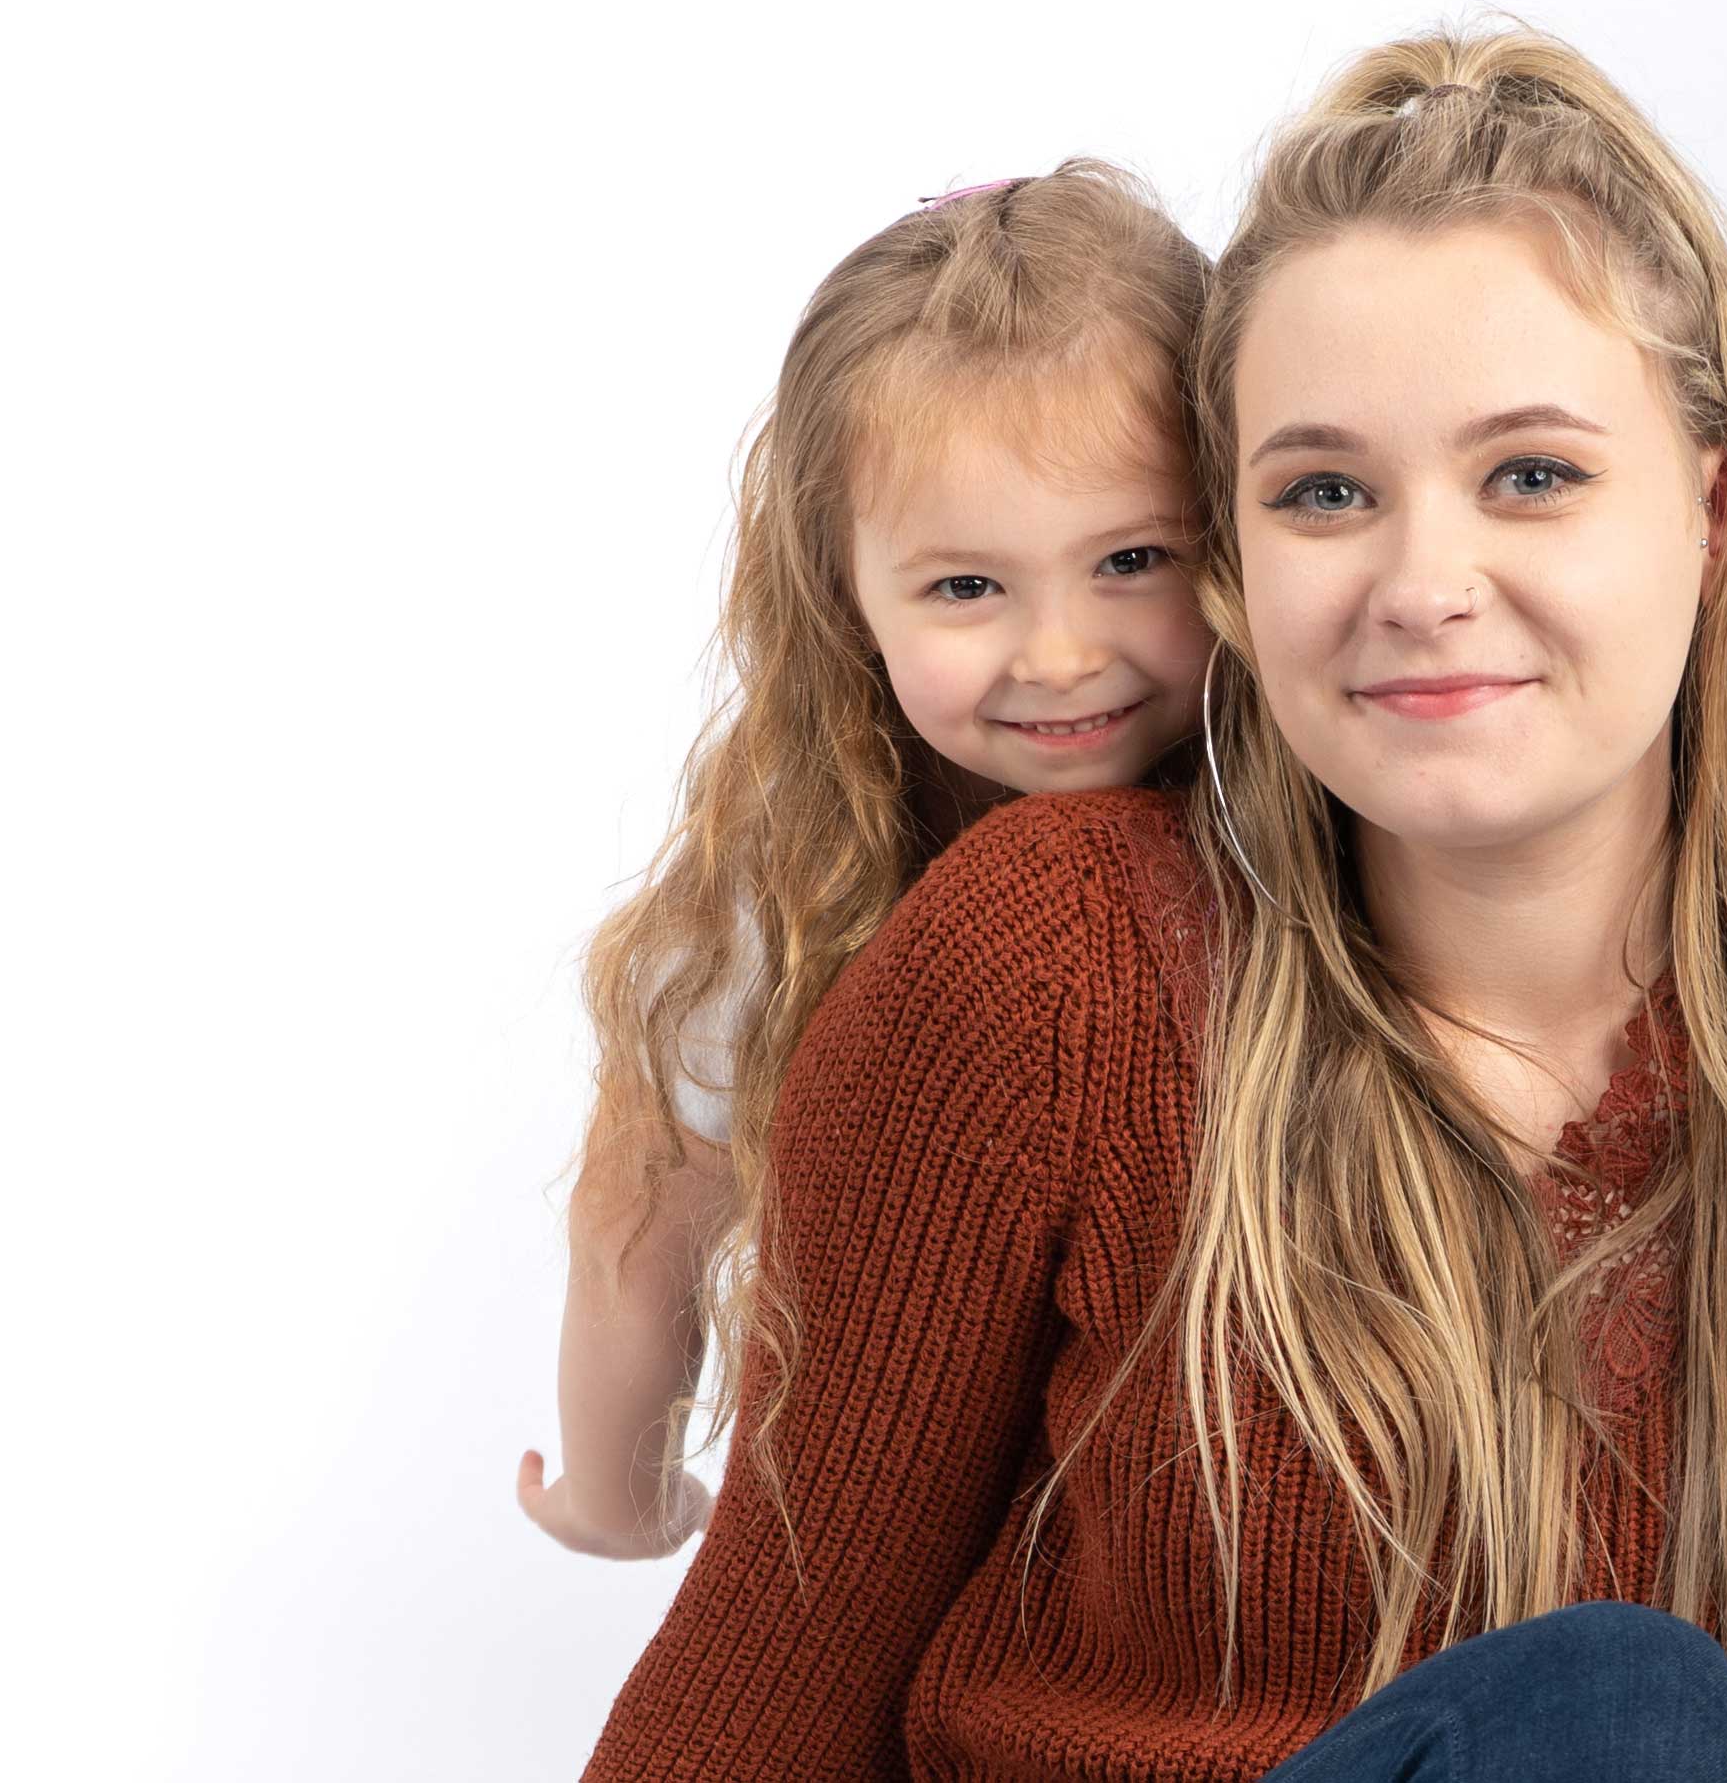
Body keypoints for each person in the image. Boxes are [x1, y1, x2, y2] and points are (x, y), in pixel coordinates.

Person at [582, 23, 1727, 1783]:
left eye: (1531, 474)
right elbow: (753, 1699)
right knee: (1620, 1710)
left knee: (1630, 1718)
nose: (1424, 583)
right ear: (1233, 565)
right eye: (1323, 494)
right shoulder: (1051, 970)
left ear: (1717, 508)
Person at [515, 160, 1215, 1561]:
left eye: (1133, 558)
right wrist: (615, 1488)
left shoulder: (1325, 800)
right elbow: (642, 1217)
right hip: (945, 1530)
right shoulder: (796, 884)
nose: (1061, 650)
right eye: (967, 585)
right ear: (847, 589)